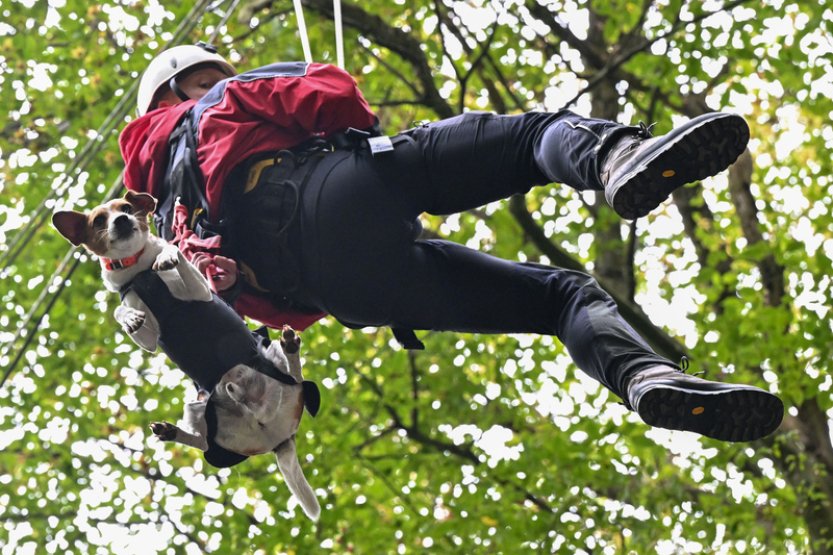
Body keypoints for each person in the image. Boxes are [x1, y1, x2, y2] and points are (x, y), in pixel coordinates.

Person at [119, 43, 783, 443]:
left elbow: (258, 316)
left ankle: (646, 380)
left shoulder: (163, 225)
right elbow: (338, 100)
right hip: (330, 192)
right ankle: (616, 159)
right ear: (184, 87)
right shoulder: (224, 100)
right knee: (528, 138)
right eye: (209, 73)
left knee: (554, 301)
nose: (218, 78)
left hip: (347, 291)